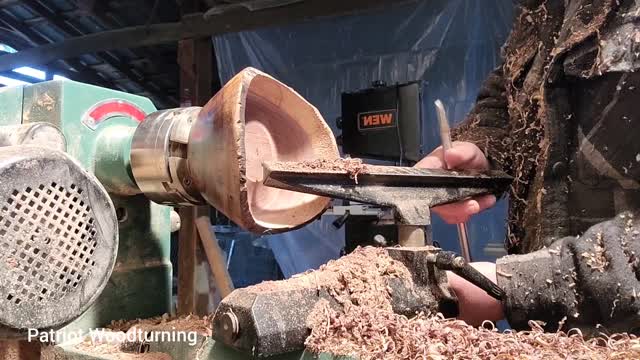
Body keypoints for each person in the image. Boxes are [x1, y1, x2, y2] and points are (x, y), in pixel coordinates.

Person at [416, 0, 640, 334]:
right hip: (547, 334)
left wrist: (517, 286)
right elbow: (509, 103)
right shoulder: (543, 9)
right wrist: (479, 146)